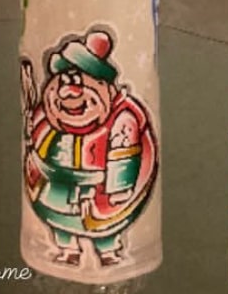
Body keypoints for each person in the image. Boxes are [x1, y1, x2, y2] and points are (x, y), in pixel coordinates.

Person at [22, 29, 157, 267]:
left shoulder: (120, 121)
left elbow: (123, 153)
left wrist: (119, 187)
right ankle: (67, 249)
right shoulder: (49, 116)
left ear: (106, 88)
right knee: (59, 221)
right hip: (57, 185)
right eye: (63, 81)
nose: (69, 93)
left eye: (79, 82)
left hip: (96, 189)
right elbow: (36, 135)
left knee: (104, 225)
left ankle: (108, 251)